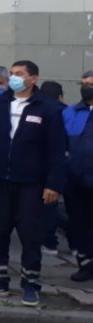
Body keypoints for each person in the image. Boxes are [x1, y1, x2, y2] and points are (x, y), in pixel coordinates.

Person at [0, 60, 66, 306]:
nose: (14, 78)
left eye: (20, 74)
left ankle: (30, 283)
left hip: (31, 183)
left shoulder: (48, 108)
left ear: (33, 79)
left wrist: (53, 184)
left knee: (30, 234)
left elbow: (57, 150)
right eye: (12, 73)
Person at [63, 71, 93, 282]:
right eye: (83, 84)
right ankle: (86, 264)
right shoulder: (70, 112)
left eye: (90, 84)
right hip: (75, 180)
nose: (85, 88)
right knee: (78, 223)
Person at [39, 81, 67, 256]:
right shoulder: (67, 112)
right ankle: (75, 244)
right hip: (71, 164)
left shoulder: (40, 110)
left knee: (47, 205)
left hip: (45, 165)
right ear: (61, 97)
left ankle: (49, 242)